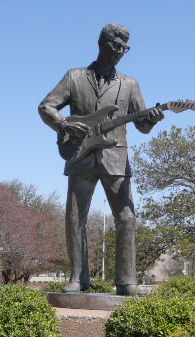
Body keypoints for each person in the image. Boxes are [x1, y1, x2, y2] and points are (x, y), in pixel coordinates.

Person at [38, 23, 164, 295]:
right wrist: (62, 125)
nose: (120, 52)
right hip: (78, 154)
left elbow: (142, 125)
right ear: (101, 43)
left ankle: (126, 281)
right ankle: (76, 278)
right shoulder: (74, 77)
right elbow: (46, 106)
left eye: (124, 48)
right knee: (74, 218)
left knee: (127, 218)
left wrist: (152, 120)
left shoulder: (130, 84)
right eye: (115, 45)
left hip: (115, 157)